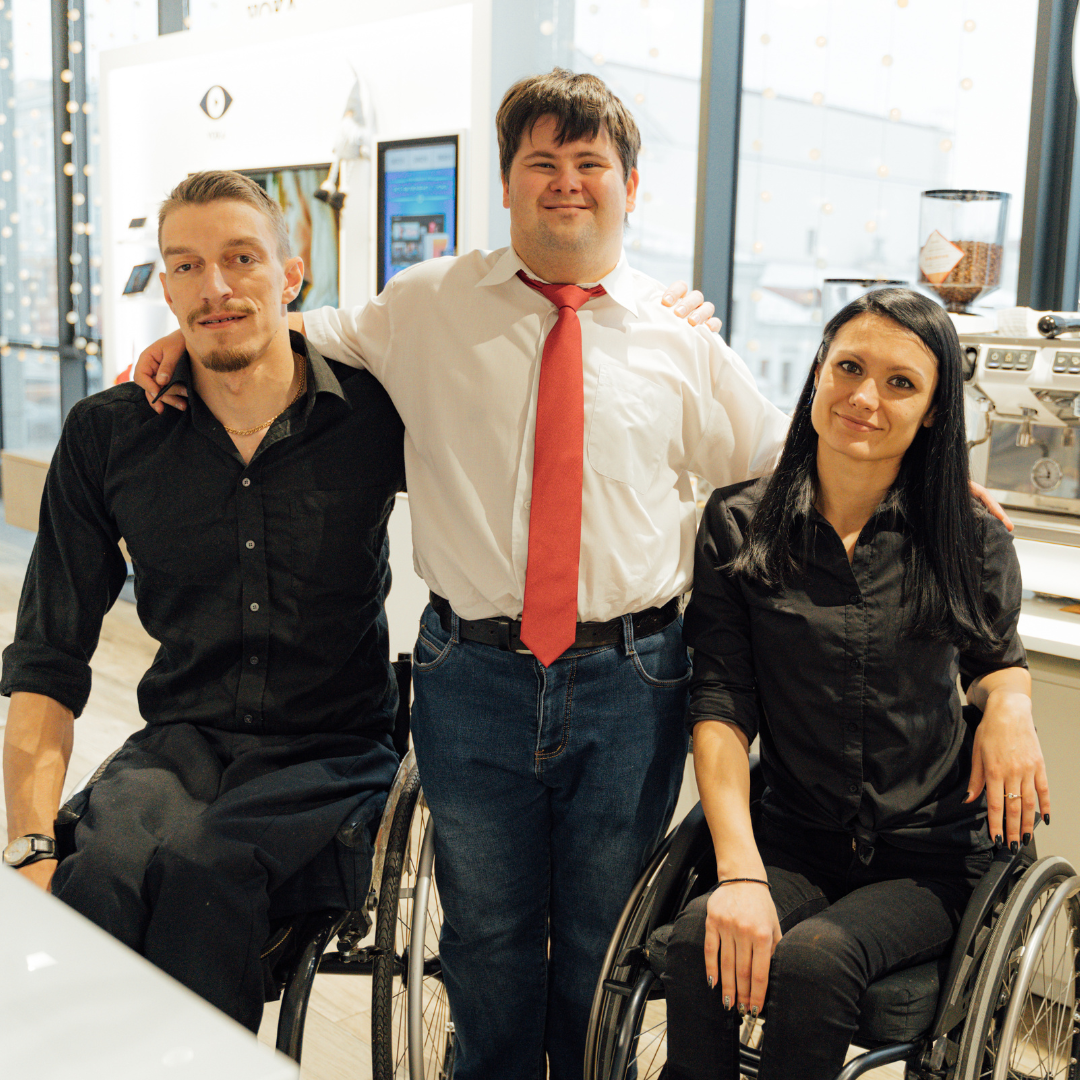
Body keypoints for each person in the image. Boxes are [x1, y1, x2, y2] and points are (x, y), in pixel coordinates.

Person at [132, 69, 789, 1079]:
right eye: (542, 163)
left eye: (589, 164)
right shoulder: (428, 303)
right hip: (470, 679)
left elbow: (793, 472)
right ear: (508, 181)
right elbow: (284, 327)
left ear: (630, 184)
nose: (566, 182)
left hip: (633, 680)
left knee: (601, 939)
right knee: (484, 938)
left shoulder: (680, 337)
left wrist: (941, 494)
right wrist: (175, 341)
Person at [1, 170, 405, 1033]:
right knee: (93, 881)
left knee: (202, 880)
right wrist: (29, 843)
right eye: (185, 266)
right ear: (164, 284)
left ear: (291, 276)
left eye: (240, 258)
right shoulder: (111, 435)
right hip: (181, 738)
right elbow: (49, 651)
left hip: (333, 748)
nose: (213, 287)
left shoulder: (376, 415)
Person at [661, 288, 1048, 1080]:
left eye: (901, 383)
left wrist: (1010, 701)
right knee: (702, 932)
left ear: (935, 411)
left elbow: (993, 660)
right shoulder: (740, 524)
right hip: (795, 835)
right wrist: (739, 871)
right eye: (849, 368)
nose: (866, 398)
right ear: (816, 375)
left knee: (813, 961)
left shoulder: (968, 539)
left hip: (928, 857)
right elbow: (722, 707)